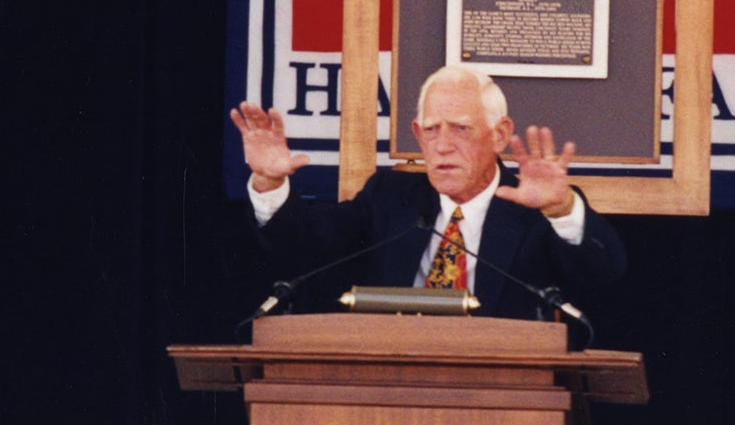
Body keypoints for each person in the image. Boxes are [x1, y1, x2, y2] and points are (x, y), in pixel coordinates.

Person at [230, 65, 625, 320]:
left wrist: (561, 209)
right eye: (432, 130)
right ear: (418, 135)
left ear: (500, 134)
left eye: (461, 129)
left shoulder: (535, 207)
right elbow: (304, 243)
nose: (443, 145)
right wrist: (269, 182)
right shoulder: (389, 198)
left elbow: (603, 274)